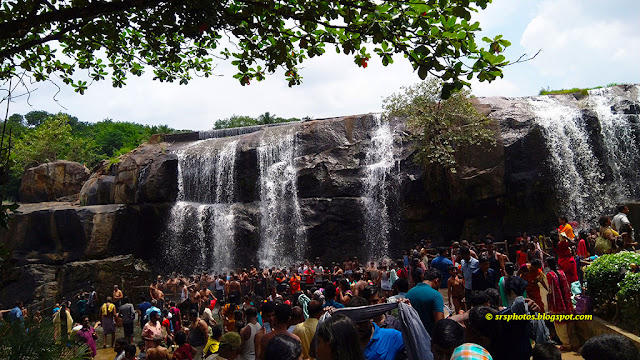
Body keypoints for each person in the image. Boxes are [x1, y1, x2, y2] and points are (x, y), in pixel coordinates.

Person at [545, 257, 575, 351]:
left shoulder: (550, 275)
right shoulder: (562, 273)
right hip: (566, 302)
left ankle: (566, 344)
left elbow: (550, 290)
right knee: (567, 323)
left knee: (559, 325)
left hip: (557, 304)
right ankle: (569, 343)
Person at [405, 268, 444, 335]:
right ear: (436, 280)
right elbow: (439, 323)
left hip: (413, 337)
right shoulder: (436, 295)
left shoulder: (409, 293)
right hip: (430, 338)